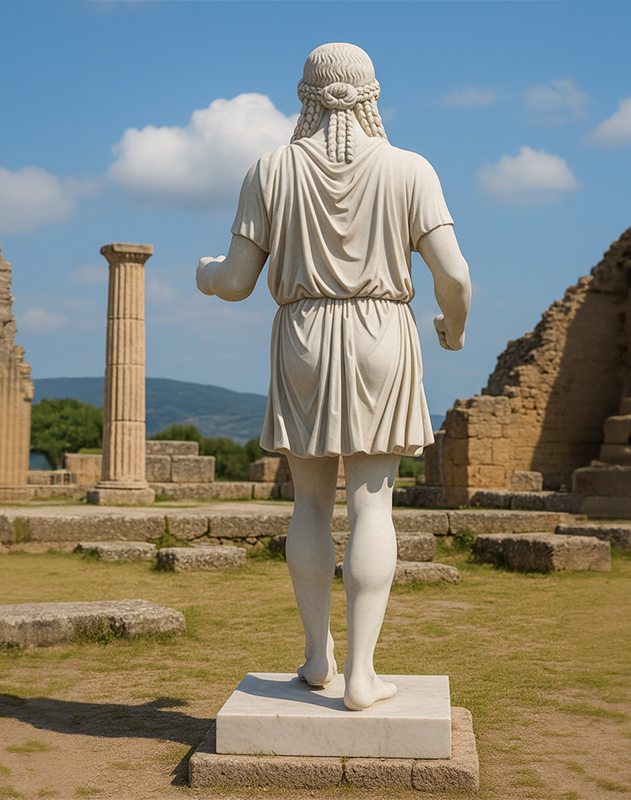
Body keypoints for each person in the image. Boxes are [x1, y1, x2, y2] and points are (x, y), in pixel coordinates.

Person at [197, 43, 471, 711]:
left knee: (311, 505)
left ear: (306, 95)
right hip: (383, 331)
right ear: (372, 94)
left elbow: (236, 281)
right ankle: (361, 676)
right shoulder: (410, 169)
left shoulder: (270, 168)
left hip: (304, 335)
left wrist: (204, 275)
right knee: (373, 506)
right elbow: (455, 275)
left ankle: (319, 656)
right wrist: (454, 329)